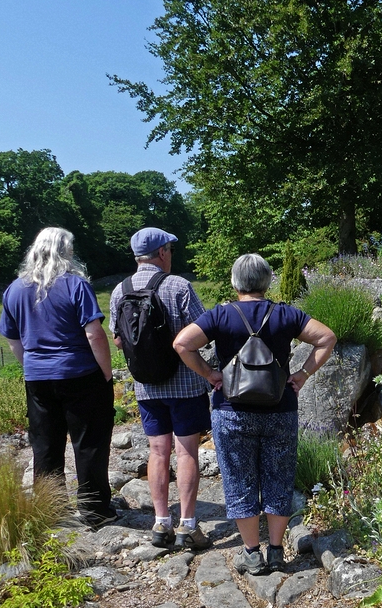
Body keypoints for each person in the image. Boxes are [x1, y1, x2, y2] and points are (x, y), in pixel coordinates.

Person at [173, 253, 336, 575]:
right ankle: (276, 551)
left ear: (235, 283)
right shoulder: (285, 314)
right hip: (280, 409)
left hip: (231, 411)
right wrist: (302, 374)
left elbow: (182, 344)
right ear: (266, 281)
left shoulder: (220, 315)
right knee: (279, 478)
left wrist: (210, 375)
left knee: (238, 481)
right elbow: (326, 337)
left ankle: (251, 553)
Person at [0, 227, 116, 529]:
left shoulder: (14, 289)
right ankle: (94, 510)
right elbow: (94, 333)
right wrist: (106, 372)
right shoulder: (76, 285)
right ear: (66, 251)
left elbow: (13, 340)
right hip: (80, 373)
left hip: (37, 377)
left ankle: (51, 510)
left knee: (45, 444)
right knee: (89, 442)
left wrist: (33, 365)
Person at [109, 227, 211, 550]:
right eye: (170, 248)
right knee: (185, 452)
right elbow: (204, 331)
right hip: (185, 385)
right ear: (163, 253)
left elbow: (117, 339)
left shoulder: (118, 291)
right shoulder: (179, 286)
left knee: (157, 452)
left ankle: (160, 522)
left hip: (146, 388)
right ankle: (188, 526)